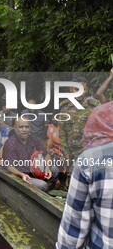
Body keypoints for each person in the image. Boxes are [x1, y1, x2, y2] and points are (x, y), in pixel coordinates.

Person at [56, 101, 113, 248]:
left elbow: (72, 231)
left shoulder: (91, 160)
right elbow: (62, 135)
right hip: (75, 152)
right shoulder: (66, 109)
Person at [59, 76, 98, 189]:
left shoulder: (93, 106)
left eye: (83, 89)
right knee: (72, 183)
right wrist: (65, 151)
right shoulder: (65, 107)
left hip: (89, 150)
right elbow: (62, 131)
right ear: (71, 89)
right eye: (76, 89)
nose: (80, 92)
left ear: (87, 90)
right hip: (71, 152)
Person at [2, 117, 59, 192]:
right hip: (20, 175)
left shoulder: (33, 139)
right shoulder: (10, 143)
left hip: (33, 170)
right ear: (15, 128)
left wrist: (47, 168)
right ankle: (41, 192)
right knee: (43, 185)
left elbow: (46, 155)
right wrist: (21, 174)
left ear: (30, 128)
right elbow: (9, 166)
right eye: (21, 127)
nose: (24, 130)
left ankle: (45, 191)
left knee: (55, 170)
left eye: (27, 127)